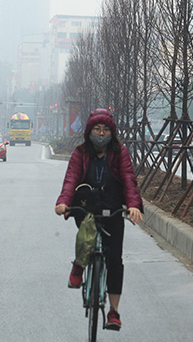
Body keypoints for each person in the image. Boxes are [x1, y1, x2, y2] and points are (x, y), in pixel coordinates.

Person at [55, 108, 143, 331]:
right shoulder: (80, 153)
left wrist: (133, 206)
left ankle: (113, 311)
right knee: (86, 237)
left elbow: (129, 180)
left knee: (115, 260)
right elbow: (70, 180)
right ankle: (79, 265)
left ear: (112, 132)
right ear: (89, 131)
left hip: (113, 208)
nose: (101, 134)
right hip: (86, 206)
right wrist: (64, 202)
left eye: (105, 130)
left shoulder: (120, 152)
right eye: (97, 129)